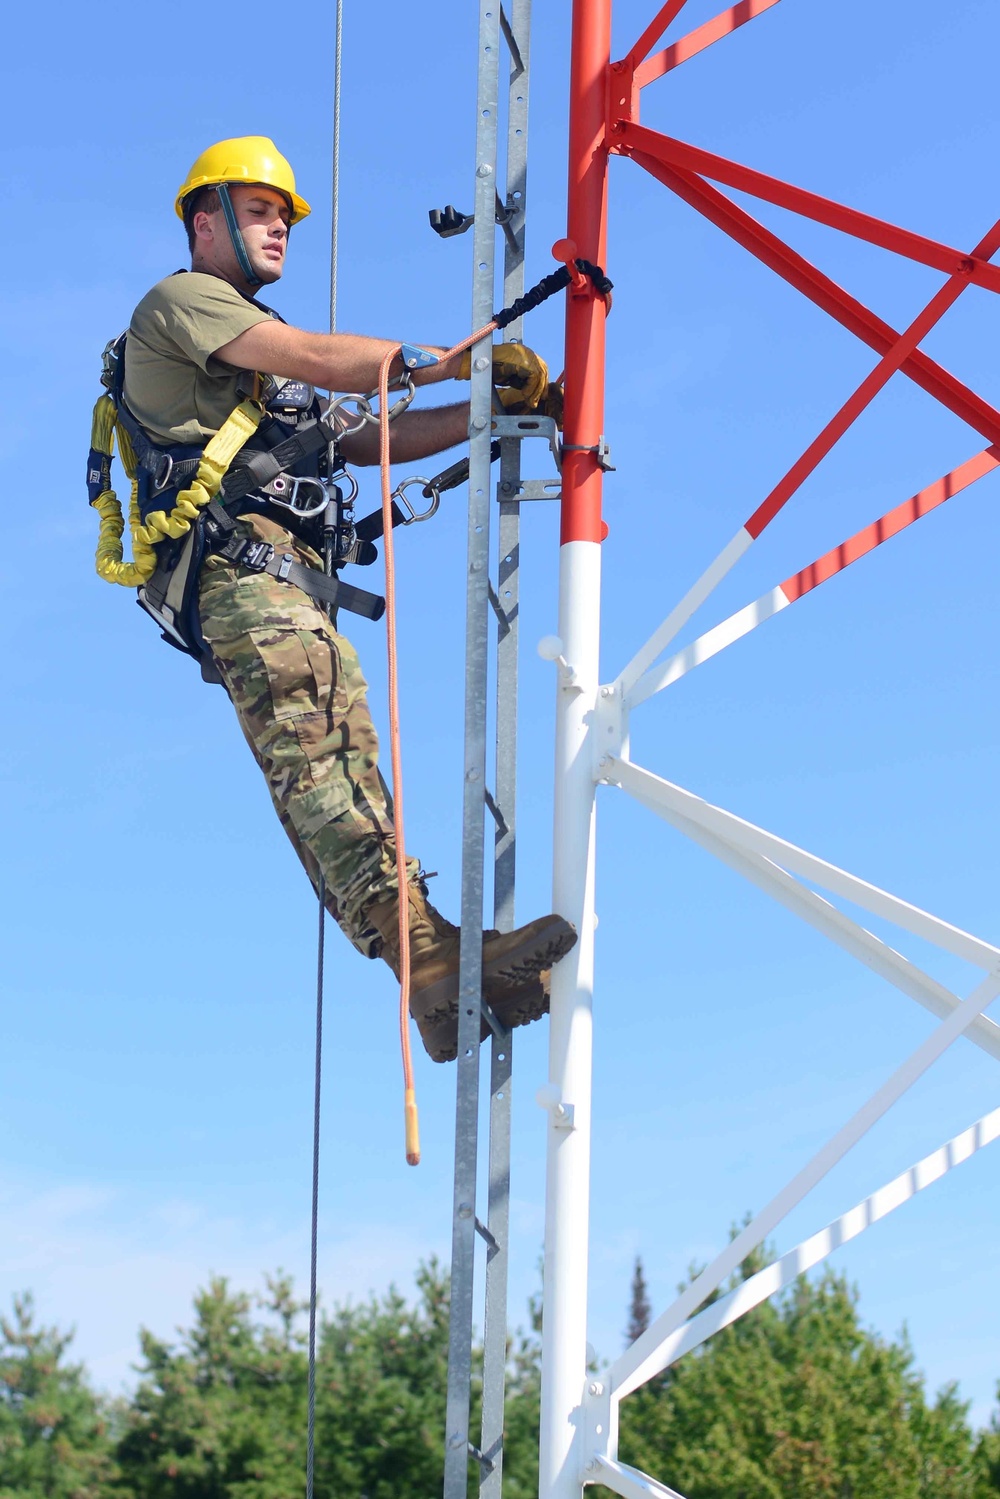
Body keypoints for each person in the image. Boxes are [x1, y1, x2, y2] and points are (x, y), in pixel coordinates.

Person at [116, 136, 575, 1061]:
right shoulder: (183, 304)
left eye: (284, 215)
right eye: (259, 210)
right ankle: (423, 953)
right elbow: (324, 358)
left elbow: (361, 436)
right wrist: (456, 362)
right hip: (241, 575)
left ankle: (432, 968)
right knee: (320, 756)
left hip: (278, 580)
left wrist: (489, 409)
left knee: (338, 755)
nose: (279, 226)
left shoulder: (257, 355)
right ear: (205, 222)